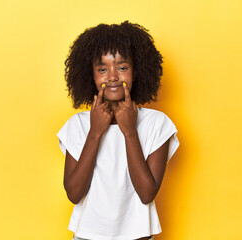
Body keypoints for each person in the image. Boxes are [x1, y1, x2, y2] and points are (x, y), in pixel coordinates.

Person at [56, 21, 180, 240]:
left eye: (122, 67)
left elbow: (146, 193)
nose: (112, 76)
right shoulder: (78, 125)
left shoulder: (157, 124)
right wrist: (95, 133)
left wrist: (130, 131)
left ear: (137, 71)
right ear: (91, 75)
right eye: (102, 69)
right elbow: (74, 194)